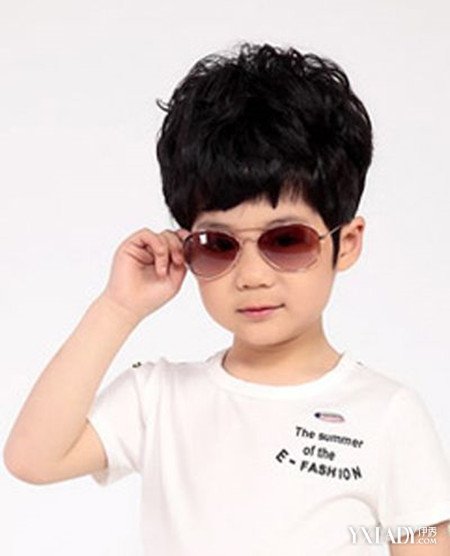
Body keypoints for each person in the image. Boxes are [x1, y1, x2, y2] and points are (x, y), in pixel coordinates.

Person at [4, 42, 450, 555]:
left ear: (345, 243)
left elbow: (424, 544)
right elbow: (33, 459)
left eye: (286, 240)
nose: (252, 276)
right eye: (219, 245)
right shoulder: (159, 399)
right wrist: (118, 308)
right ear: (186, 248)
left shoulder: (386, 413)